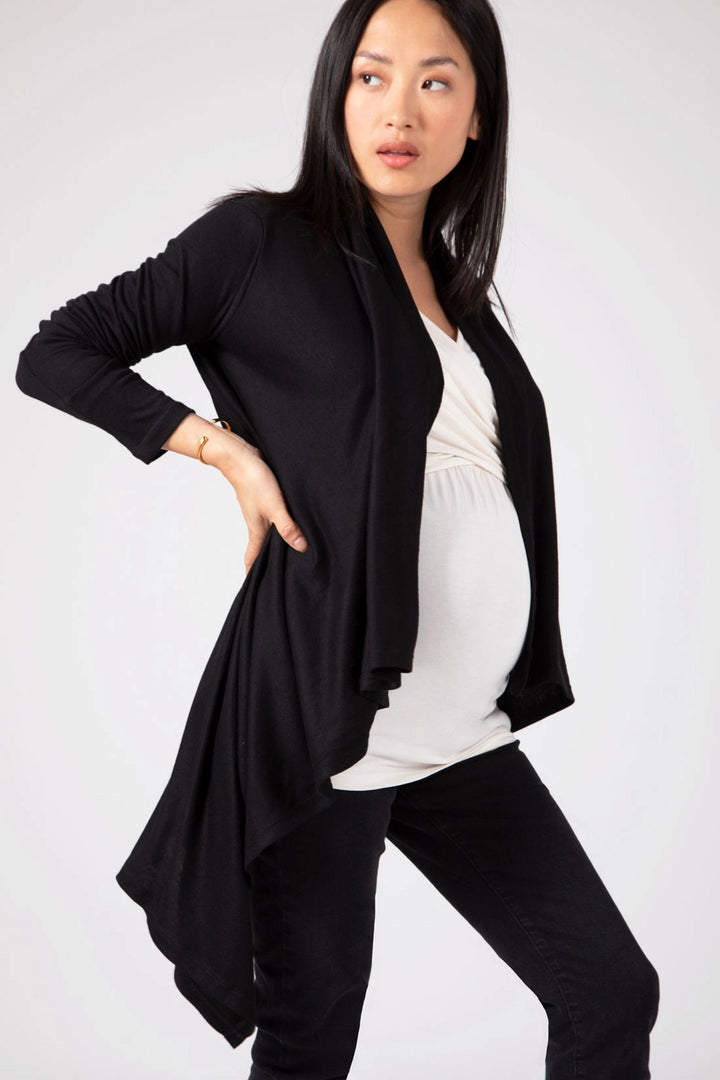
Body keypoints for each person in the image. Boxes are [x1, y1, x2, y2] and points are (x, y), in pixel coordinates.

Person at [15, 0, 660, 1076]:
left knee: (610, 990)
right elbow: (57, 351)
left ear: (478, 115)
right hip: (326, 730)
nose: (399, 109)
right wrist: (224, 450)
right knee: (312, 1041)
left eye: (436, 81)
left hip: (456, 735)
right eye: (372, 76)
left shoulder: (462, 295)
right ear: (337, 91)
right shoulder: (259, 243)